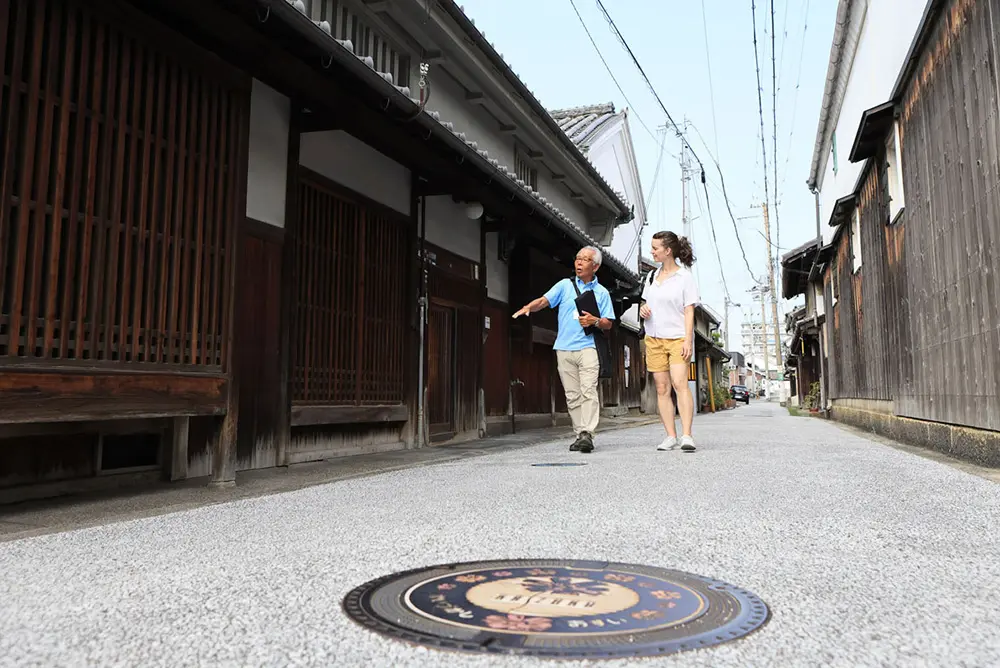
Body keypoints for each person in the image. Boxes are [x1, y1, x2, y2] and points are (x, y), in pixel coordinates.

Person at [512, 246, 615, 453]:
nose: (579, 263)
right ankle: (580, 433)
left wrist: (595, 321)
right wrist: (529, 308)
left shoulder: (601, 292)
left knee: (588, 391)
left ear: (595, 266)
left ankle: (588, 432)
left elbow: (608, 323)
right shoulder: (564, 286)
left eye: (585, 260)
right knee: (572, 394)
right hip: (564, 347)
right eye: (577, 258)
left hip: (588, 348)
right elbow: (544, 301)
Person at [640, 231, 699, 453]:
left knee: (679, 384)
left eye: (655, 248)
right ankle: (670, 436)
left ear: (668, 250)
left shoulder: (684, 277)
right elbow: (645, 304)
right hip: (653, 338)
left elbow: (689, 310)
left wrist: (688, 340)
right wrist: (643, 309)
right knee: (662, 388)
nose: (652, 251)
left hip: (677, 339)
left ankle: (687, 435)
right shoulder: (651, 277)